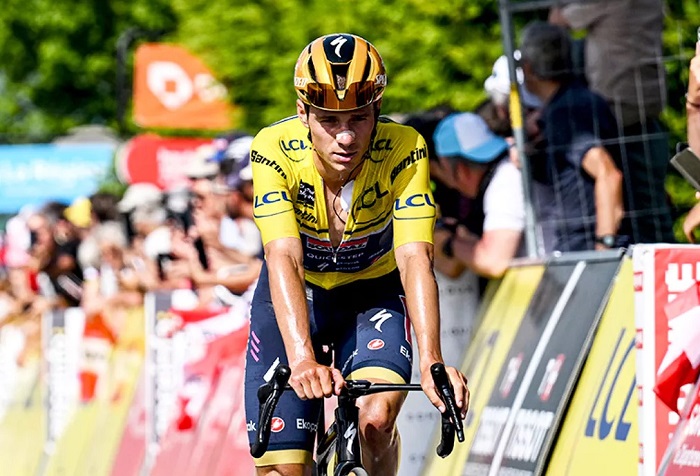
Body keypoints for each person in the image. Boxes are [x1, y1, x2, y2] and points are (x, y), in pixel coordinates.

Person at [244, 33, 469, 476]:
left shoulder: (405, 147)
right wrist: (302, 358)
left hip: (372, 295)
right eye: (329, 120)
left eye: (359, 118)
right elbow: (283, 254)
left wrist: (432, 359)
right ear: (303, 112)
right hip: (299, 294)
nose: (345, 136)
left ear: (377, 110)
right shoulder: (272, 149)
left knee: (376, 420)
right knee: (283, 471)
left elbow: (415, 258)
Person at [550, 0, 675, 243]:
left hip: (616, 112)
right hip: (645, 108)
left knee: (637, 215)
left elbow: (558, 21)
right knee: (651, 210)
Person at [519, 21, 624, 252]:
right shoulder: (579, 100)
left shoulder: (566, 112)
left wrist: (604, 245)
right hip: (585, 240)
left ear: (528, 68)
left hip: (587, 245)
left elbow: (608, 173)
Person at [432, 112, 524, 279]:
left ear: (461, 170)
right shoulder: (506, 172)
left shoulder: (504, 182)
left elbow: (494, 262)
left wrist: (448, 243)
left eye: (445, 170)